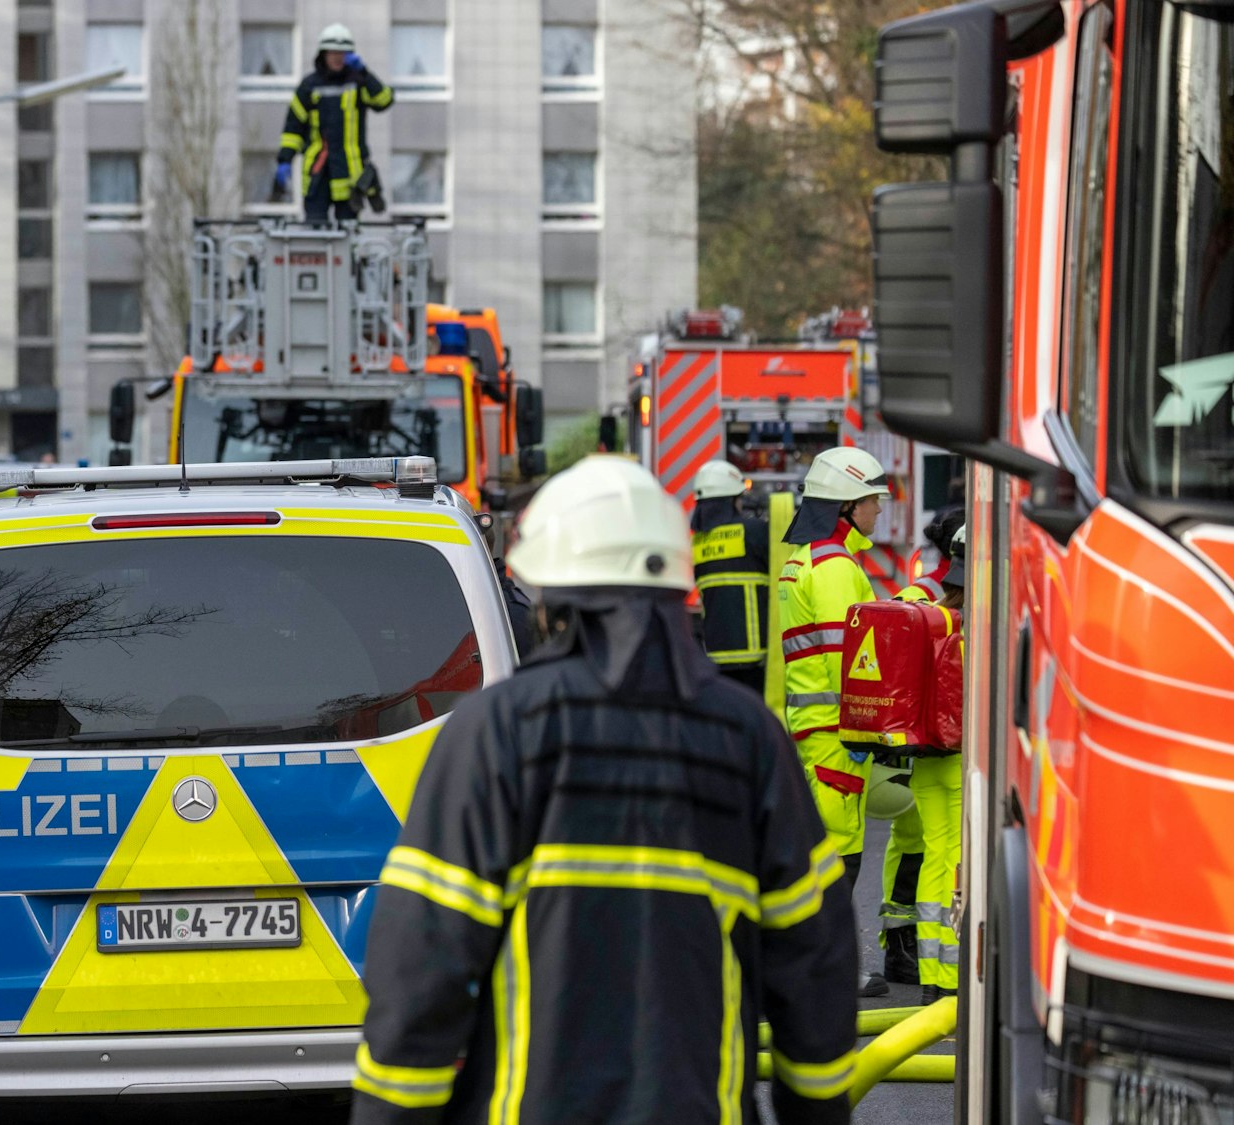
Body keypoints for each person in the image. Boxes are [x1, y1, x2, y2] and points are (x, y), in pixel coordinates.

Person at [350, 456, 858, 1125]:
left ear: (552, 594)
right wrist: (816, 1110)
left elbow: (420, 969)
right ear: (678, 586)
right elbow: (813, 964)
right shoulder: (749, 741)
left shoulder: (494, 733)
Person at [778, 446, 886, 994]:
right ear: (847, 506)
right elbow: (856, 661)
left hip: (811, 728)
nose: (878, 511)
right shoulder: (837, 569)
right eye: (872, 501)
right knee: (842, 855)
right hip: (837, 733)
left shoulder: (801, 559)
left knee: (823, 849)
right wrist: (871, 727)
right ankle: (831, 971)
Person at [886, 512, 965, 1002]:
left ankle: (933, 980)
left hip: (926, 761)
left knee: (935, 857)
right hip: (959, 763)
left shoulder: (933, 616)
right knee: (955, 864)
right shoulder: (974, 628)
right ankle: (951, 979)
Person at [276, 23, 393, 223]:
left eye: (343, 53)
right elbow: (293, 127)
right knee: (315, 230)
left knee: (347, 235)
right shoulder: (309, 86)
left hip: (350, 173)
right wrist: (285, 159)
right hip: (317, 171)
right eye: (333, 52)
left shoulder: (358, 83)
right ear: (323, 54)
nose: (338, 57)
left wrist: (365, 73)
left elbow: (384, 101)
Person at [690, 459, 772, 694]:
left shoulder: (697, 542)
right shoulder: (753, 531)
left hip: (715, 655)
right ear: (731, 500)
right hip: (756, 657)